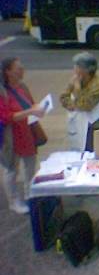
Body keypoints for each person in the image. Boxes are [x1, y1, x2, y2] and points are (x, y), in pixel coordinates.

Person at [0, 57, 46, 214]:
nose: (22, 70)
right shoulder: (2, 92)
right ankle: (13, 201)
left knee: (30, 166)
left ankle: (29, 193)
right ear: (8, 72)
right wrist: (31, 111)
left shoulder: (23, 87)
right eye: (18, 68)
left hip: (27, 133)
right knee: (11, 169)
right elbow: (6, 117)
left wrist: (39, 109)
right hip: (11, 137)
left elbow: (31, 105)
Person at [60, 52, 99, 152]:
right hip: (78, 123)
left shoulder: (98, 86)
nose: (74, 69)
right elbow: (63, 97)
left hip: (94, 126)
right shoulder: (75, 79)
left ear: (85, 70)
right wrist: (71, 105)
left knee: (91, 154)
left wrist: (77, 89)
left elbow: (85, 105)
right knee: (77, 151)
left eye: (77, 66)